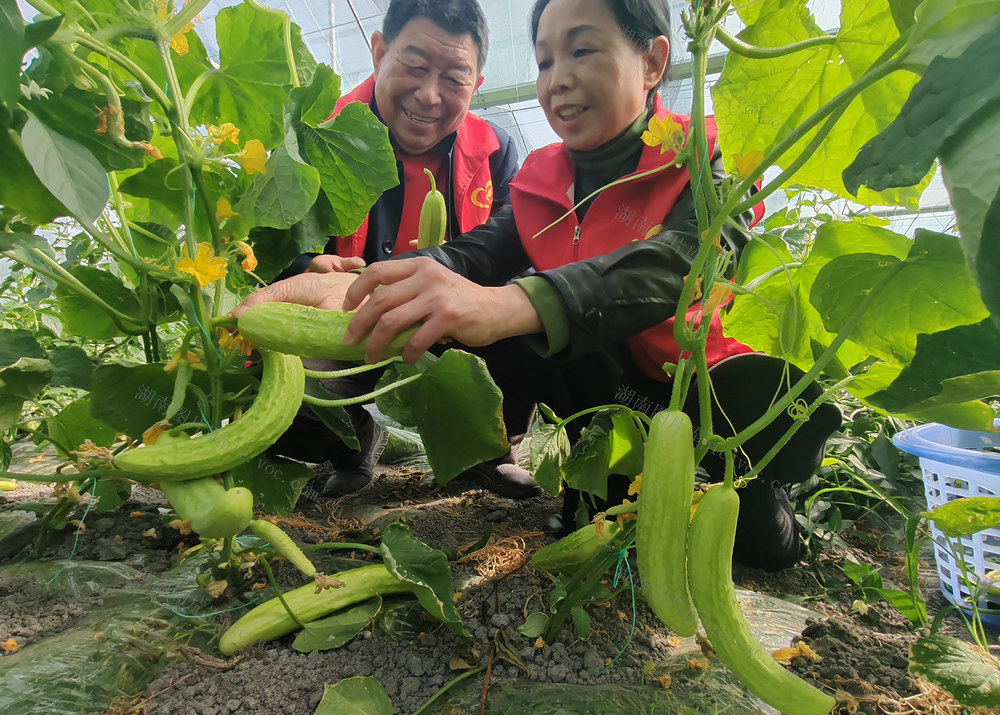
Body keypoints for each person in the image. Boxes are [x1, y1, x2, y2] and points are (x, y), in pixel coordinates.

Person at [239, 0, 841, 570]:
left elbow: (682, 259)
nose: (560, 78)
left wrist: (516, 301)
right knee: (590, 466)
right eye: (547, 59)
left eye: (583, 52)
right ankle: (595, 491)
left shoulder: (709, 157)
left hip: (695, 389)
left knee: (764, 545)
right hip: (601, 392)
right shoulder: (540, 178)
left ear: (654, 63)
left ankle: (756, 487)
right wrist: (373, 281)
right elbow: (477, 254)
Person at [270, 0, 541, 500]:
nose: (429, 95)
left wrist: (477, 300)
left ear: (476, 84)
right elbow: (275, 243)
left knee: (525, 313)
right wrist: (309, 266)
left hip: (456, 324)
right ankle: (351, 444)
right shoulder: (319, 133)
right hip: (350, 322)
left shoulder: (497, 149)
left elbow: (512, 248)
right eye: (414, 67)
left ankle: (489, 451)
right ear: (379, 53)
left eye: (454, 78)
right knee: (279, 378)